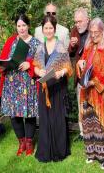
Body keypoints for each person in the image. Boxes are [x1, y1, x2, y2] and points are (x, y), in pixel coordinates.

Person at [0, 14, 40, 156]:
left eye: (23, 25)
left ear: (28, 26)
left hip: (28, 84)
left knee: (29, 113)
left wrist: (30, 64)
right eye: (19, 26)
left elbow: (42, 63)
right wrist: (3, 65)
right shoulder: (11, 41)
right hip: (12, 83)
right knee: (13, 114)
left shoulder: (35, 43)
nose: (21, 28)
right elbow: (4, 58)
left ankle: (29, 142)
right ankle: (21, 142)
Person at [34, 15, 73, 162]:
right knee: (45, 120)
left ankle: (59, 151)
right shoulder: (39, 47)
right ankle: (45, 151)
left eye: (51, 28)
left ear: (54, 29)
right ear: (42, 30)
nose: (48, 30)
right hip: (44, 89)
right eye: (46, 28)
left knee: (57, 120)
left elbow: (68, 67)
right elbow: (36, 67)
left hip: (57, 88)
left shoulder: (60, 46)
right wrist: (40, 72)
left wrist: (60, 73)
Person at [77, 18, 104, 170]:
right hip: (86, 90)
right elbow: (82, 61)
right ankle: (91, 154)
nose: (93, 35)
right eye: (91, 33)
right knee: (88, 122)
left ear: (102, 31)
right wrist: (79, 64)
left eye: (96, 32)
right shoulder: (88, 45)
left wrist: (94, 82)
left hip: (99, 92)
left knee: (99, 124)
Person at [68, 7, 90, 141]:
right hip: (79, 74)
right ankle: (82, 132)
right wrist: (71, 45)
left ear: (87, 20)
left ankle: (93, 131)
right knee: (80, 103)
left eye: (80, 21)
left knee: (92, 105)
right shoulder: (74, 31)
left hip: (92, 74)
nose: (78, 24)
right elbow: (70, 53)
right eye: (76, 22)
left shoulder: (94, 29)